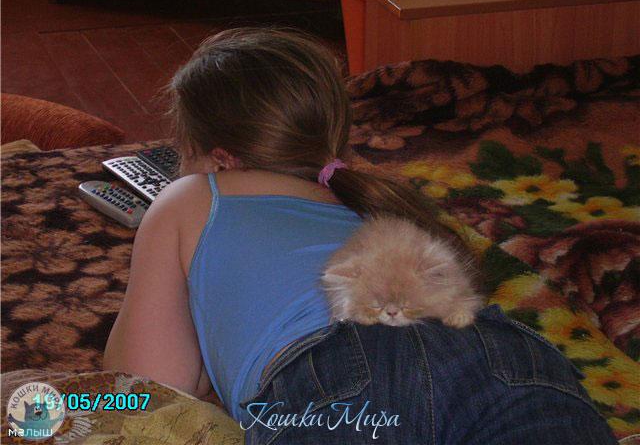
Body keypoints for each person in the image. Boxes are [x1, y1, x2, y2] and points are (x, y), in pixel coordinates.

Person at [103, 28, 617, 444]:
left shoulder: (192, 196)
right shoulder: (368, 202)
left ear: (218, 158)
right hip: (507, 355)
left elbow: (146, 386)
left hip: (341, 374)